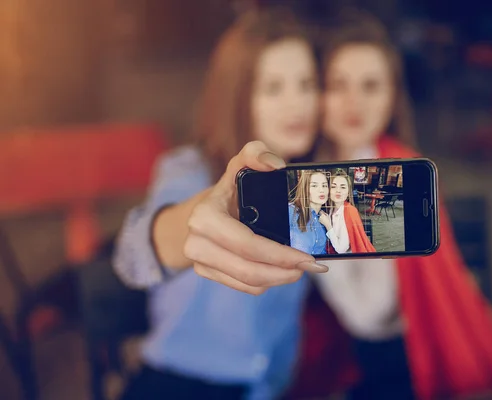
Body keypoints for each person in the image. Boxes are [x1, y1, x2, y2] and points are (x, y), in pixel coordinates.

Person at [299, 9, 492, 400]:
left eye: (371, 86)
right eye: (338, 84)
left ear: (391, 97)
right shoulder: (301, 176)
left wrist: (319, 223)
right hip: (342, 361)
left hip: (406, 359)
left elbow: (371, 314)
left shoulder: (400, 172)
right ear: (317, 92)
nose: (354, 101)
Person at [112, 9, 329, 400]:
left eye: (307, 83)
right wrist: (189, 224)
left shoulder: (315, 186)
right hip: (176, 385)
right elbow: (133, 255)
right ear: (238, 96)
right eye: (273, 87)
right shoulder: (189, 169)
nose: (298, 103)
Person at [319, 170, 375, 254]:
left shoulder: (349, 211)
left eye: (343, 187)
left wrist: (328, 225)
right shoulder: (332, 209)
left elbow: (341, 250)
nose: (338, 190)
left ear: (348, 192)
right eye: (334, 186)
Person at [288, 170, 329, 255]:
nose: (321, 190)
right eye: (314, 186)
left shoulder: (322, 220)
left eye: (324, 185)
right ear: (305, 188)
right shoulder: (291, 211)